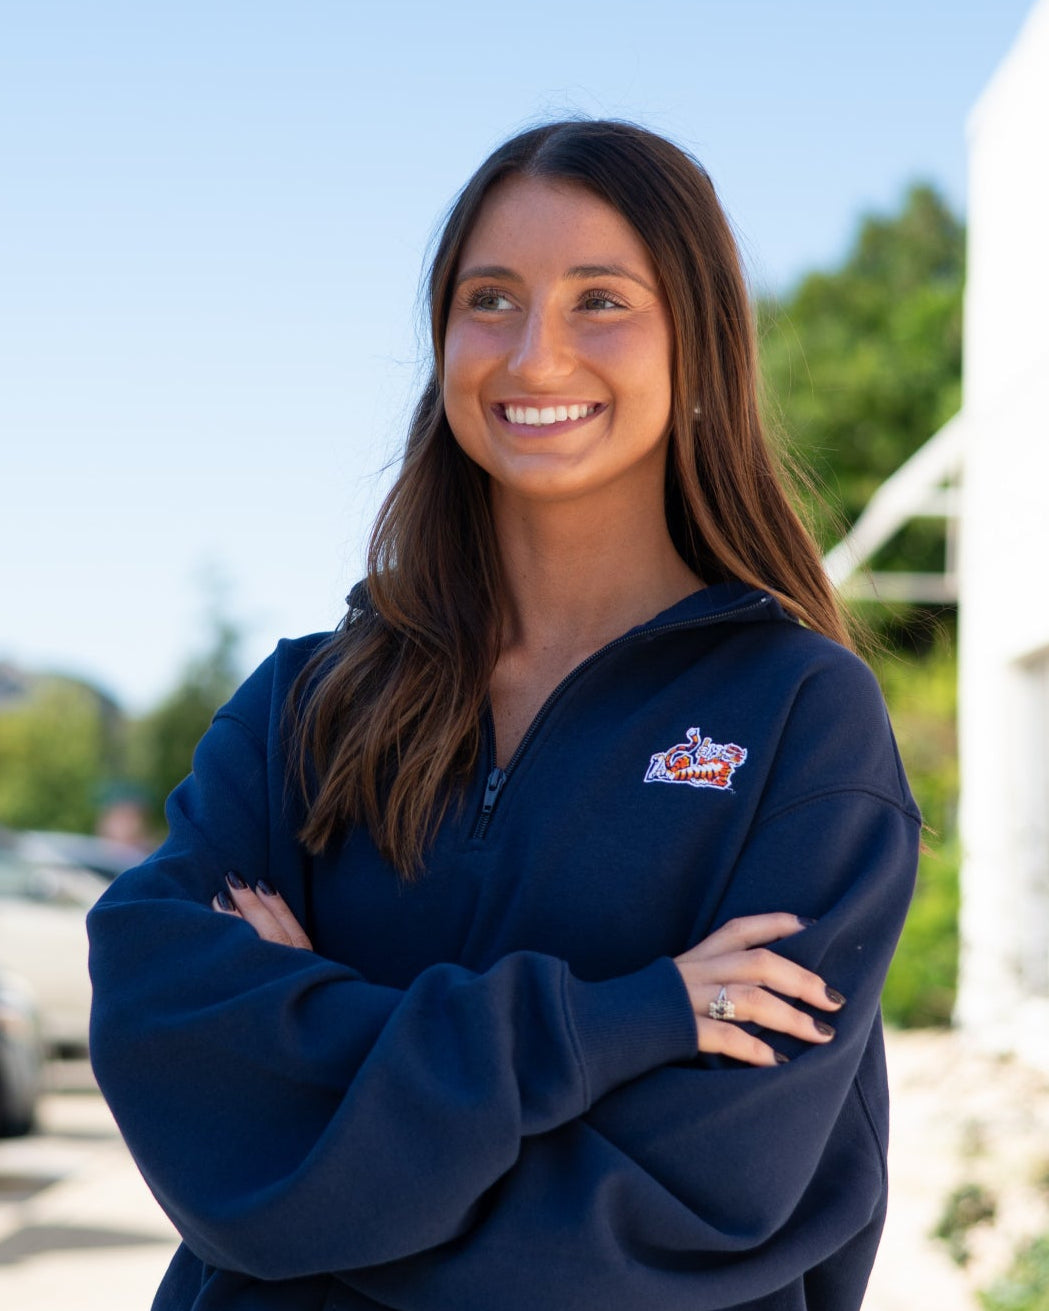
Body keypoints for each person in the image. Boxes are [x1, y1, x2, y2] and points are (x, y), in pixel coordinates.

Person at [87, 119, 920, 1311]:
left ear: (699, 347)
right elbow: (168, 1033)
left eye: (599, 301)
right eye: (491, 298)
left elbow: (697, 1206)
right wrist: (620, 1023)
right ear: (442, 341)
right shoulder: (304, 705)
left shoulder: (797, 714)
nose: (535, 355)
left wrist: (317, 1115)